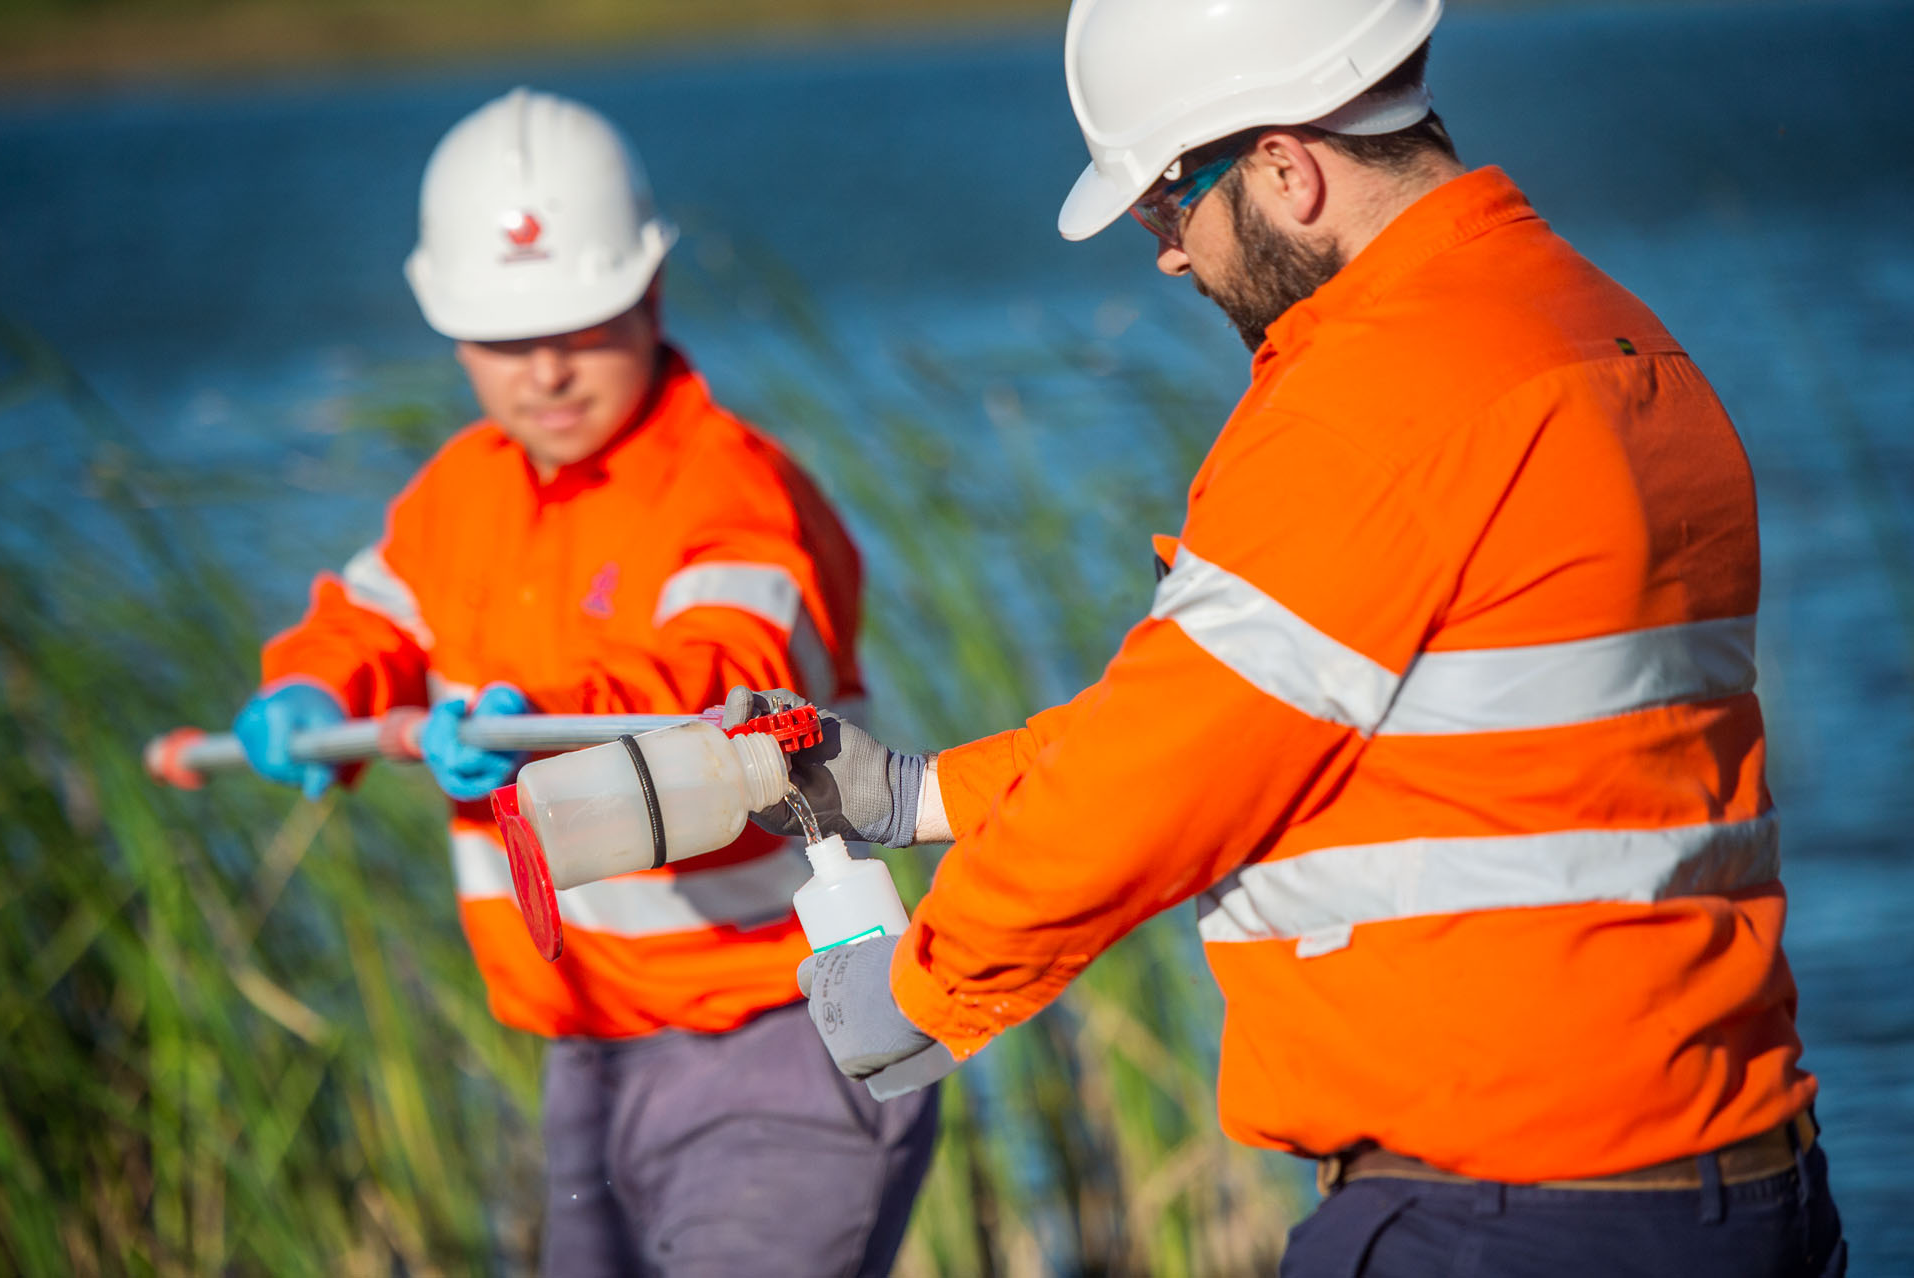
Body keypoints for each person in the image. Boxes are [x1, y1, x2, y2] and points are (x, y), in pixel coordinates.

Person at [730, 1, 1848, 1273]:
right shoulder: (1611, 337)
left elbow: (1164, 772)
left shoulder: (1370, 401)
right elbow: (1284, 724)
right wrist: (917, 796)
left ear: (1283, 167)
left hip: (1504, 1209)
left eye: (1164, 206)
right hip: (1743, 1188)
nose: (1164, 255)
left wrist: (921, 992)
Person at [233, 88, 935, 1276]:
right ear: (454, 334)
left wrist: (542, 733)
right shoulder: (458, 494)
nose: (547, 371)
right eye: (508, 340)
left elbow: (722, 671)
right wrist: (312, 695)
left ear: (651, 297)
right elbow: (366, 619)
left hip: (785, 1033)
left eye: (584, 325)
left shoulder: (730, 490)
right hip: (589, 1046)